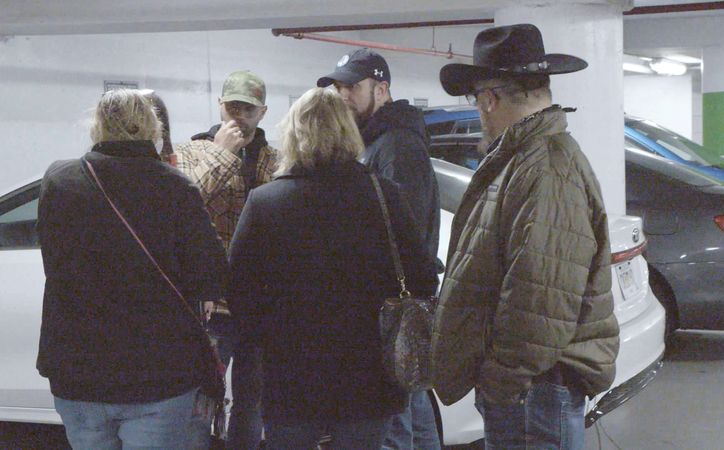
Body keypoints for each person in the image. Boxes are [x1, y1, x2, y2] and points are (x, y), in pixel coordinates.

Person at [431, 24, 621, 450]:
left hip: (533, 388)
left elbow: (541, 294)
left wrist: (501, 379)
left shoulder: (544, 167)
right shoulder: (529, 159)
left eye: (477, 99)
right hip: (531, 385)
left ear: (489, 99)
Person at [227, 87, 439, 450]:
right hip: (368, 374)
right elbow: (422, 276)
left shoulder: (265, 202)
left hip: (291, 373)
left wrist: (268, 333)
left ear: (292, 134)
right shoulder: (382, 195)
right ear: (348, 131)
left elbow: (237, 289)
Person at [36, 88, 229, 450]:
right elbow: (211, 275)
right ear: (152, 128)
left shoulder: (59, 181)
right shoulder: (176, 186)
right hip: (158, 373)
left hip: (78, 371)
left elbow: (54, 260)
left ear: (97, 126)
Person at [317, 47, 442, 450]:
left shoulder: (397, 146)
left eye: (351, 86)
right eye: (337, 87)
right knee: (411, 407)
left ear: (382, 89)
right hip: (392, 307)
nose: (341, 95)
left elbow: (402, 232)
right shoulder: (379, 141)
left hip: (391, 308)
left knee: (392, 423)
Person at [173, 70, 276, 449]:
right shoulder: (191, 152)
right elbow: (181, 207)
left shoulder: (275, 160)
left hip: (259, 304)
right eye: (232, 106)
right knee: (203, 400)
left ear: (262, 112)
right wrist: (221, 153)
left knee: (252, 401)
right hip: (211, 305)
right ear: (220, 106)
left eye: (247, 109)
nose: (238, 116)